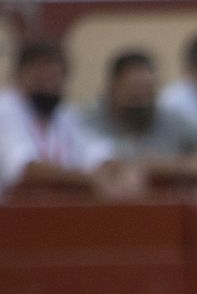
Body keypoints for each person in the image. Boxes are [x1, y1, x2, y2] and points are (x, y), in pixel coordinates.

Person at [84, 50, 197, 192]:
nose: (141, 100)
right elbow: (113, 162)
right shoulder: (90, 120)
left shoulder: (169, 118)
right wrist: (182, 166)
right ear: (113, 89)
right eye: (134, 91)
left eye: (148, 91)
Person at [0, 41, 134, 199]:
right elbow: (25, 168)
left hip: (52, 209)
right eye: (40, 78)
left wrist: (118, 170)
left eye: (54, 78)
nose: (47, 86)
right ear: (20, 74)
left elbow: (93, 152)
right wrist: (88, 180)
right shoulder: (5, 110)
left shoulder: (64, 116)